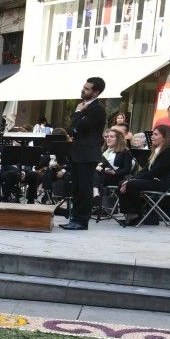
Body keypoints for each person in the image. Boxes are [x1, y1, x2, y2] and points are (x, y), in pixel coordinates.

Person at [59, 76, 107, 231]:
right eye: (84, 87)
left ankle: (81, 221)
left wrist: (78, 112)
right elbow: (72, 129)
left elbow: (80, 127)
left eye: (87, 89)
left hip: (87, 154)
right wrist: (78, 113)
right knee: (77, 188)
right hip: (78, 153)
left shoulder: (97, 109)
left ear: (95, 92)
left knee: (84, 188)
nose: (83, 90)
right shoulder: (85, 106)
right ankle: (75, 218)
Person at [118, 125, 170, 226]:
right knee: (122, 182)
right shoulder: (157, 150)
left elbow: (155, 172)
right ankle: (130, 214)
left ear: (165, 137)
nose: (152, 137)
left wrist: (131, 181)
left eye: (155, 134)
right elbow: (147, 169)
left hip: (162, 183)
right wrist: (132, 178)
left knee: (131, 184)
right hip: (154, 181)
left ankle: (137, 214)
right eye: (152, 134)